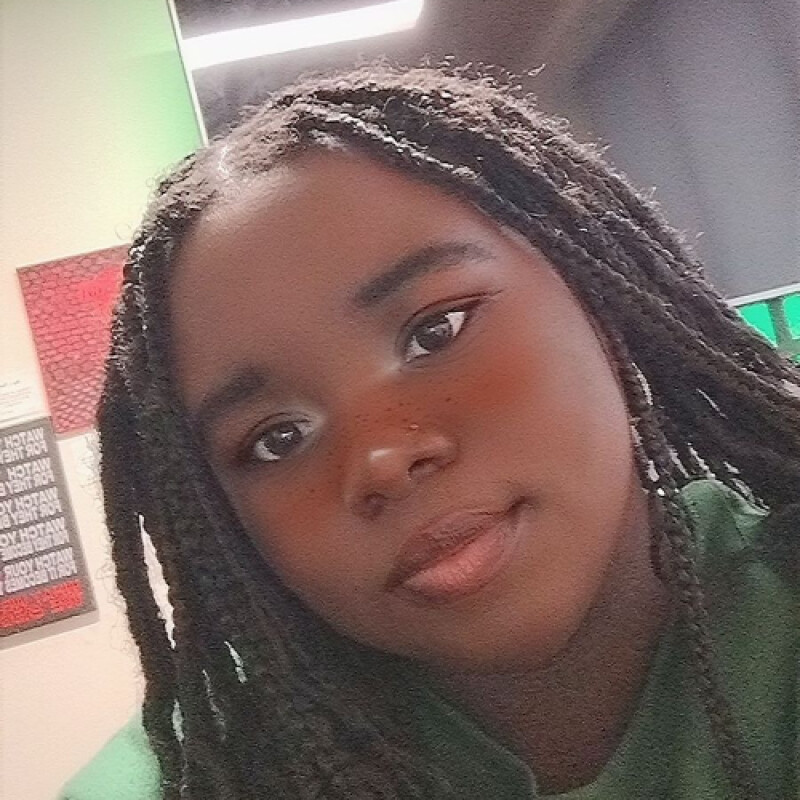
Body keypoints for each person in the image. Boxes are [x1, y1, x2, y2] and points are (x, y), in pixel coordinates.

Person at [60, 64, 798, 800]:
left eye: (435, 331)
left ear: (597, 301)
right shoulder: (197, 777)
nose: (381, 458)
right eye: (277, 438)